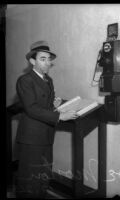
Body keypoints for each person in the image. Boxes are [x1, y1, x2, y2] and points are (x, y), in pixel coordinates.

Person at [15, 40, 78, 198]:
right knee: (29, 180)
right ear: (32, 61)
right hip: (31, 138)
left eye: (49, 59)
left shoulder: (48, 80)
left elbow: (43, 106)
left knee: (43, 176)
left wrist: (54, 104)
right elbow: (31, 108)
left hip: (46, 135)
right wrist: (59, 115)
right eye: (43, 59)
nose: (48, 63)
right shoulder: (25, 80)